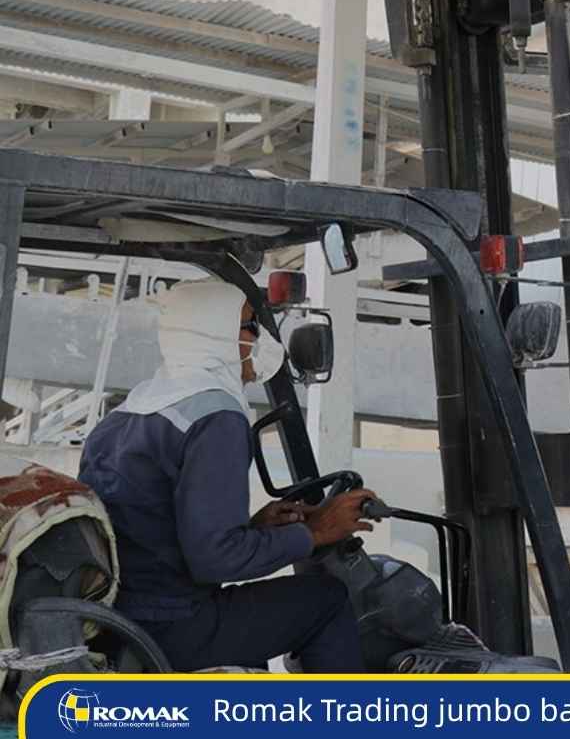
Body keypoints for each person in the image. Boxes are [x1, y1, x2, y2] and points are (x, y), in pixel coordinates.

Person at [78, 281, 374, 671]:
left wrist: (254, 527)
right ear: (213, 334)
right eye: (251, 327)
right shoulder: (217, 418)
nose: (262, 340)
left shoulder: (125, 414)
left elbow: (151, 528)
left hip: (115, 622)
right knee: (327, 600)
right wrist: (316, 533)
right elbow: (214, 561)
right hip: (171, 627)